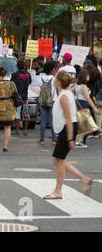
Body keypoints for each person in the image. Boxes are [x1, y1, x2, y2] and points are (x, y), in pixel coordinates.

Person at [43, 71, 93, 200]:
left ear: (59, 82)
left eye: (55, 79)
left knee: (59, 160)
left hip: (67, 128)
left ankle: (58, 191)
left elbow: (69, 118)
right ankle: (84, 179)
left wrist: (71, 138)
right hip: (67, 128)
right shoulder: (67, 94)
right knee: (58, 160)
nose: (54, 81)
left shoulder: (65, 96)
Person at [0, 67, 17, 152]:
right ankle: (5, 146)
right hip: (9, 106)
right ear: (6, 74)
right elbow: (15, 94)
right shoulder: (11, 84)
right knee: (7, 127)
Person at [72, 70, 100, 148]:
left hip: (78, 104)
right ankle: (78, 141)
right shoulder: (83, 86)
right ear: (84, 76)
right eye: (87, 75)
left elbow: (70, 91)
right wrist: (94, 108)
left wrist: (75, 98)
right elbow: (88, 98)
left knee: (82, 124)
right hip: (83, 105)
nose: (89, 77)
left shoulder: (77, 85)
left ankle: (78, 140)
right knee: (85, 124)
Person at [38, 61, 57, 145]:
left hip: (43, 100)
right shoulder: (54, 78)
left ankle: (41, 139)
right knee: (53, 121)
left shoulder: (40, 78)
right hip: (52, 100)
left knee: (43, 120)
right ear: (52, 69)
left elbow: (39, 88)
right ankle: (54, 139)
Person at [11, 60, 32, 136]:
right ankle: (25, 130)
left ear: (17, 66)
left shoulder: (14, 75)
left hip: (17, 97)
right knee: (26, 113)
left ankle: (17, 130)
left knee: (18, 114)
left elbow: (12, 85)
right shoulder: (28, 74)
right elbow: (29, 82)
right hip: (25, 97)